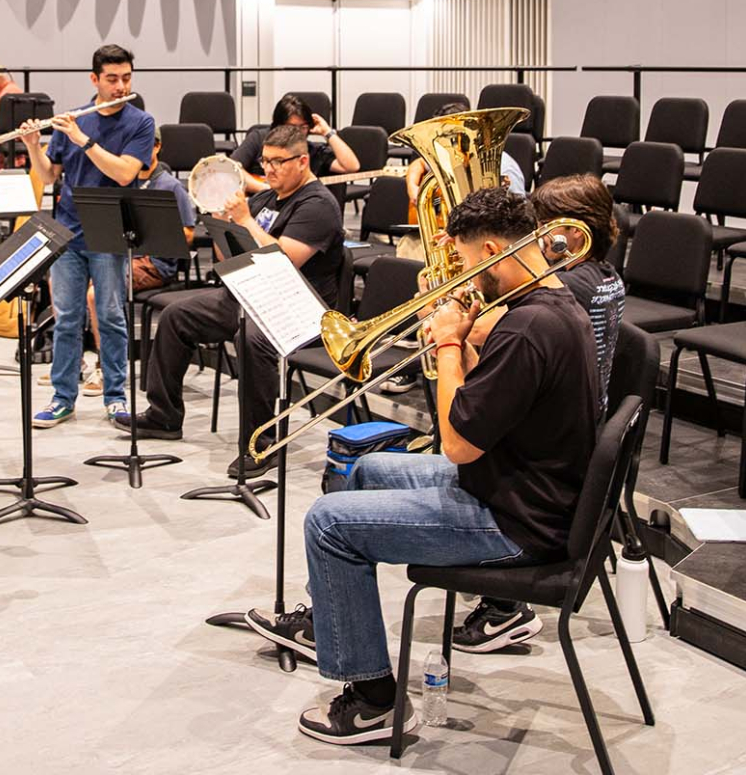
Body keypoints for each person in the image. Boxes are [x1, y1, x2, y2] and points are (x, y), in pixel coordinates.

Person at [246, 189, 598, 745]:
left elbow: (458, 445)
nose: (462, 272)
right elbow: (495, 404)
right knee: (364, 469)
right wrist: (469, 341)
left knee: (327, 522)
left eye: (463, 259)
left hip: (519, 521)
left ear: (489, 248)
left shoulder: (529, 328)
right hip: (519, 485)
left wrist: (451, 344)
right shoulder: (554, 304)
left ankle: (373, 702)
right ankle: (333, 622)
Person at [448, 172, 622, 655]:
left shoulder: (556, 298)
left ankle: (504, 604)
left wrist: (450, 333)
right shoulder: (604, 276)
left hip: (543, 454)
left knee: (462, 433)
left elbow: (487, 335)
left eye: (539, 228)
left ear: (566, 234)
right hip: (568, 416)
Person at [117, 122, 343, 471]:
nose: (268, 169)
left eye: (278, 162)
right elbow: (230, 257)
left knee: (252, 340)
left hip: (297, 308)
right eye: (265, 161)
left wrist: (245, 220)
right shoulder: (268, 197)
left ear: (303, 161)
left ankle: (261, 444)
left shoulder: (318, 205)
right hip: (251, 294)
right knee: (177, 316)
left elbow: (283, 260)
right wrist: (224, 224)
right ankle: (164, 415)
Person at [15, 44, 155, 429]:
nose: (120, 85)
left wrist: (84, 140)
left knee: (110, 317)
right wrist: (32, 146)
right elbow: (48, 176)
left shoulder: (141, 123)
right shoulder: (73, 120)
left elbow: (125, 174)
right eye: (112, 79)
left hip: (110, 232)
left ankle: (116, 397)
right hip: (68, 234)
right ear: (95, 79)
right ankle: (63, 397)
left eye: (126, 78)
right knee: (67, 319)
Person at [231, 93, 359, 188]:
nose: (298, 132)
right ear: (278, 125)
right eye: (292, 127)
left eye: (303, 127)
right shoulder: (259, 138)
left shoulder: (312, 151)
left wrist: (327, 132)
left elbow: (351, 166)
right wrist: (263, 189)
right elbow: (232, 168)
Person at [131, 132, 197, 293]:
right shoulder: (125, 182)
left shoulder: (171, 186)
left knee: (101, 286)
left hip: (155, 263)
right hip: (125, 258)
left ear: (157, 146)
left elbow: (188, 235)